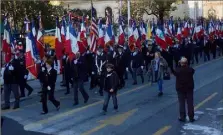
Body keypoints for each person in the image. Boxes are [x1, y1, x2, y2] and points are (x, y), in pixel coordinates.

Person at [171, 57, 195, 122]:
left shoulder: (178, 70)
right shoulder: (190, 70)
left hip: (180, 88)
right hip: (189, 88)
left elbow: (175, 71)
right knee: (190, 103)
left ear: (181, 63)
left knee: (182, 103)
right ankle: (191, 117)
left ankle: (182, 117)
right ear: (187, 63)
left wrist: (179, 64)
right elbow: (192, 70)